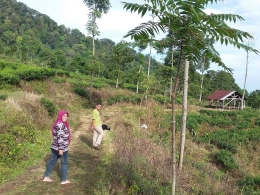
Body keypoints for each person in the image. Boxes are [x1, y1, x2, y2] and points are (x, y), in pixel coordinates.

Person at [42, 110, 71, 184]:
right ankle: (64, 180)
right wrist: (61, 149)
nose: (65, 117)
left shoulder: (58, 123)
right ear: (60, 116)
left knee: (52, 161)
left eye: (66, 116)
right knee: (64, 163)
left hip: (54, 147)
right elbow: (60, 137)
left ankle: (46, 177)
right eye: (63, 116)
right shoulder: (61, 125)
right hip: (61, 148)